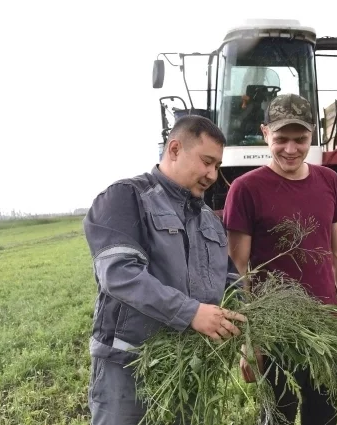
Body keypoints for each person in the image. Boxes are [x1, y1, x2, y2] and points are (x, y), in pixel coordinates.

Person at [82, 115, 246, 425]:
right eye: (207, 161)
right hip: (129, 366)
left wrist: (249, 327)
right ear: (174, 149)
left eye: (217, 166)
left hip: (189, 366)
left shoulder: (209, 219)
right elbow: (120, 274)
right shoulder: (125, 198)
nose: (213, 175)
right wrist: (191, 313)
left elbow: (229, 280)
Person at [223, 93, 337, 425]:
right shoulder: (245, 189)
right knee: (278, 412)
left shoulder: (328, 181)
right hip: (273, 328)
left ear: (313, 134)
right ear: (265, 133)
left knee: (325, 412)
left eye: (301, 139)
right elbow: (238, 269)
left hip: (323, 324)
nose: (291, 148)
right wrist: (248, 338)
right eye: (281, 138)